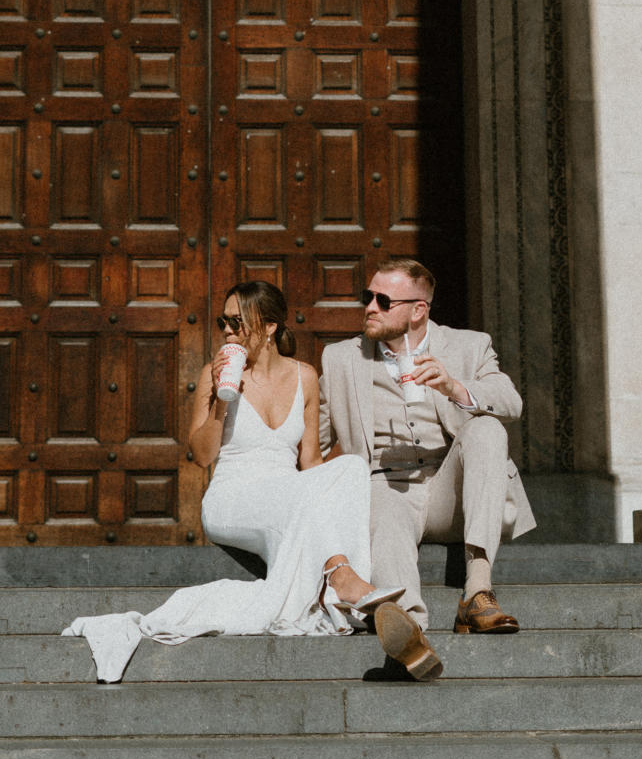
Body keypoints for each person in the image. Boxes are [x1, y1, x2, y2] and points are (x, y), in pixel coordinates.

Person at [63, 280, 403, 681]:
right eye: (224, 321)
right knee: (303, 494)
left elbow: (309, 460)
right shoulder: (214, 372)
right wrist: (224, 401)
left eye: (238, 323)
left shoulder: (305, 376)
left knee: (348, 469)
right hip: (232, 498)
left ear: (271, 327)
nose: (227, 330)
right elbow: (202, 455)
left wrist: (327, 495)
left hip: (286, 494)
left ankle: (340, 584)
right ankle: (344, 581)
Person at [318, 258, 535, 680]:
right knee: (387, 522)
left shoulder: (469, 346)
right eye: (368, 298)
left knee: (487, 429)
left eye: (383, 300)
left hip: (450, 489)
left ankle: (477, 592)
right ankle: (408, 633)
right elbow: (318, 442)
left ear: (418, 309)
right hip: (386, 482)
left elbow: (512, 402)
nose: (370, 308)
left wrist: (454, 386)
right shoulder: (341, 359)